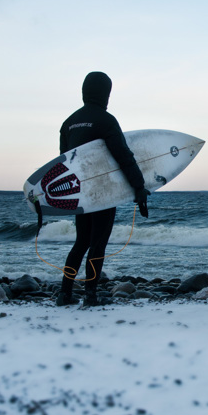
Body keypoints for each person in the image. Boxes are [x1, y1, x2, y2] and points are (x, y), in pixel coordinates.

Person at [56, 71, 150, 308]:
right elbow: (123, 156)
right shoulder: (106, 120)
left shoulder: (68, 123)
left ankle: (64, 293)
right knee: (98, 243)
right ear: (105, 93)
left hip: (81, 194)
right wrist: (139, 188)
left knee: (81, 242)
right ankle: (90, 295)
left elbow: (64, 164)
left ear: (84, 92)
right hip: (103, 192)